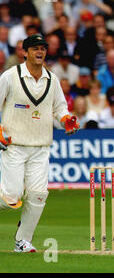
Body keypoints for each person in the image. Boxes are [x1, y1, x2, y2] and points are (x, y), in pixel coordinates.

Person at [0, 34, 80, 252]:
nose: (40, 52)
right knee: (11, 198)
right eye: (35, 48)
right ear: (24, 52)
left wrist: (67, 120)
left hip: (41, 146)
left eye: (43, 48)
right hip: (15, 145)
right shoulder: (10, 76)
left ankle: (22, 241)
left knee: (38, 195)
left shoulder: (52, 79)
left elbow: (60, 108)